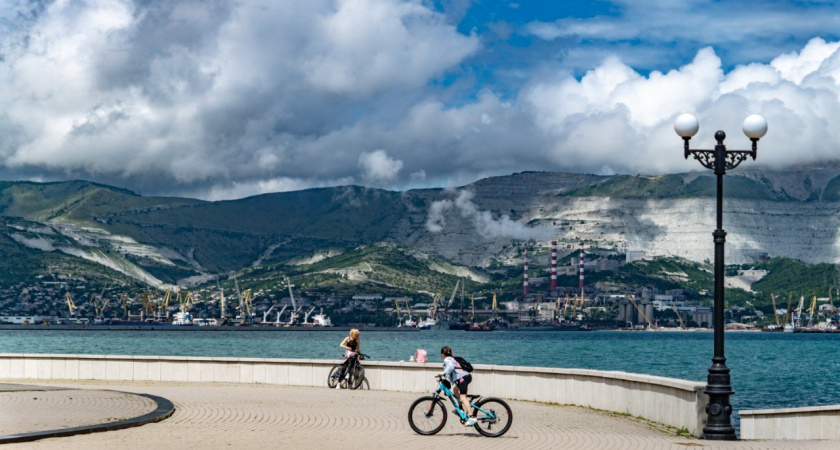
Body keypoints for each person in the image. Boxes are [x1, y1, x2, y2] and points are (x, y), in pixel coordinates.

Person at [439, 346, 476, 426]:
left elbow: (450, 367)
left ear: (442, 355)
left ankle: (472, 416)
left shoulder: (447, 360)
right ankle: (461, 409)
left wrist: (442, 374)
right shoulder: (452, 359)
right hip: (465, 377)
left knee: (463, 398)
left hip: (463, 378)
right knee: (455, 390)